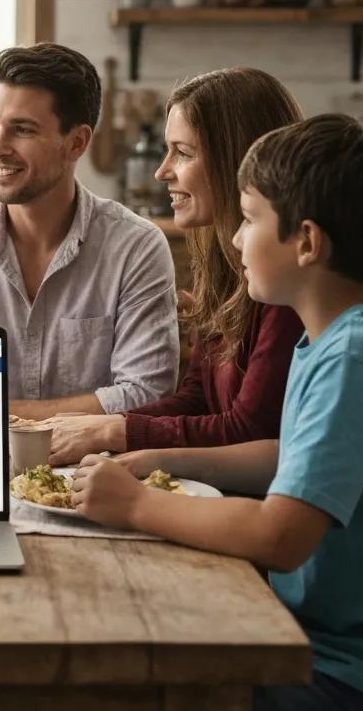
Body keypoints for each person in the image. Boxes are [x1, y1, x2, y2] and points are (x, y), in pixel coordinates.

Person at [72, 114, 363, 711]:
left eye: (251, 218)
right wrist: (154, 458)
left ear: (307, 242)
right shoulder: (326, 341)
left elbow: (281, 537)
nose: (234, 237)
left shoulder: (351, 354)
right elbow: (291, 459)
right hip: (303, 640)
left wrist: (137, 506)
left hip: (337, 680)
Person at [0, 43, 179, 417]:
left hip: (94, 470)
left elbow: (147, 393)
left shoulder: (135, 247)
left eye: (22, 130)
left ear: (77, 142)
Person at [48, 68, 305, 465]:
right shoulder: (225, 267)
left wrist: (115, 431)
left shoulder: (285, 282)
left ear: (236, 160)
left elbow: (249, 430)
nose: (161, 171)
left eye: (183, 153)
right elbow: (198, 399)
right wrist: (102, 427)